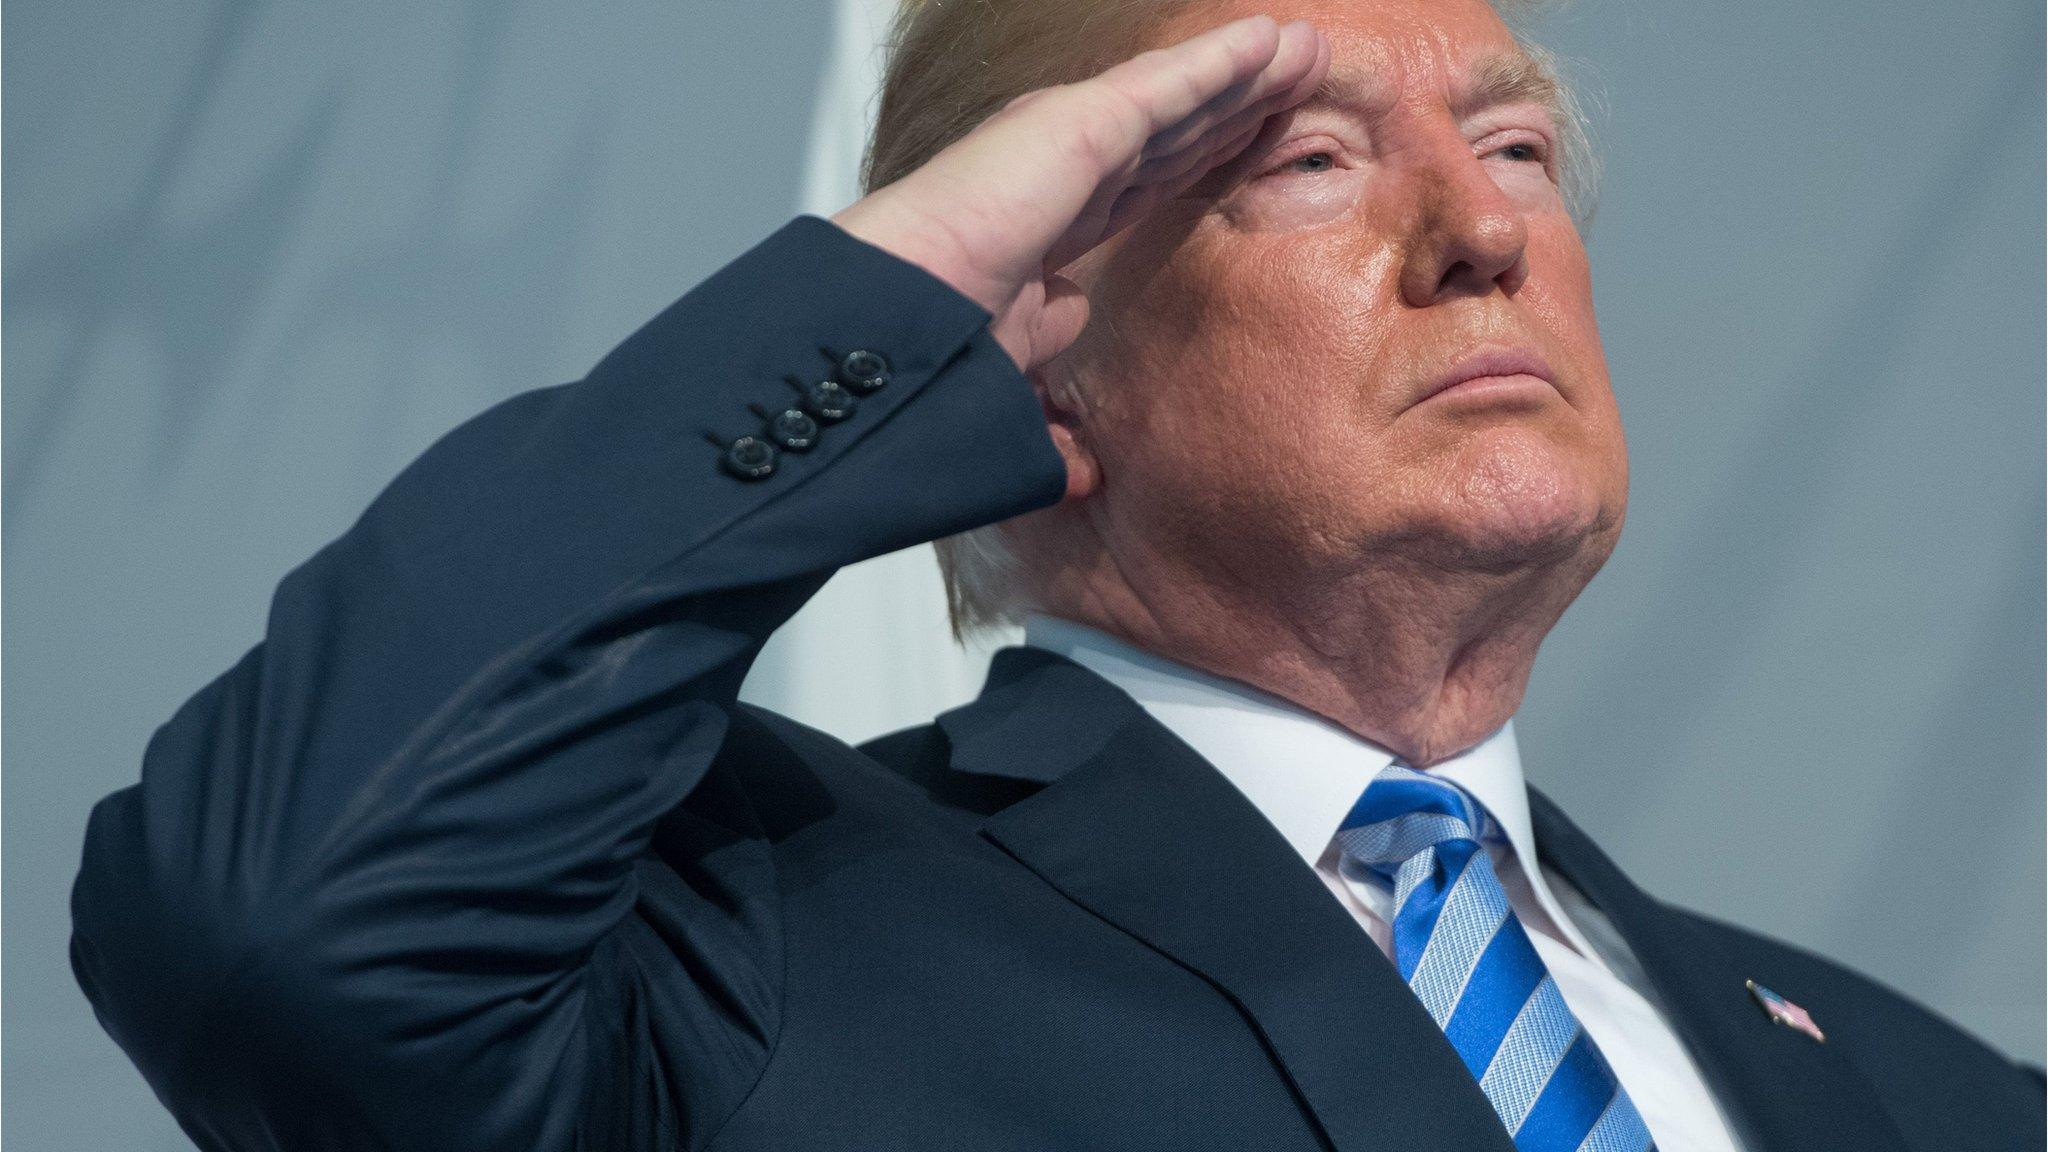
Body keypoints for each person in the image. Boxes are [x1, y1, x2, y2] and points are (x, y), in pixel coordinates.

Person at [68, 0, 2042, 1149]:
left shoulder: (1928, 1090)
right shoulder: (744, 940)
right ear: (1033, 322)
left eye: (1516, 147)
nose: (1479, 234)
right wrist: (889, 305)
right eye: (1313, 162)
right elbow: (276, 927)